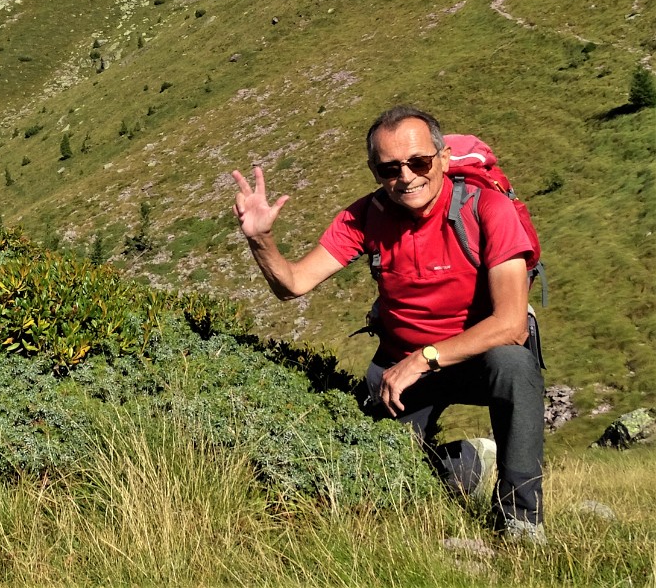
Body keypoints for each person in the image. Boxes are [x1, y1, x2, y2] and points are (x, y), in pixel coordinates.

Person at [230, 105, 545, 544]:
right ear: (375, 171)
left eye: (419, 162)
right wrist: (260, 239)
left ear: (443, 158)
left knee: (515, 365)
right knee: (375, 485)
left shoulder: (486, 207)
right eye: (389, 168)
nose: (407, 176)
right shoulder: (364, 217)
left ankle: (521, 522)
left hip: (475, 357)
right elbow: (294, 284)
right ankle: (466, 463)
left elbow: (510, 324)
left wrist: (424, 359)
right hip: (402, 366)